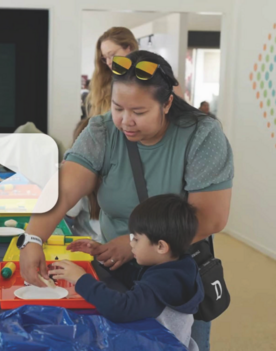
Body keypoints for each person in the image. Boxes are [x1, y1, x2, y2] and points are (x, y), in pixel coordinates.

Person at [20, 51, 233, 351]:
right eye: (118, 107)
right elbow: (63, 191)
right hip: (118, 271)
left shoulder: (202, 135)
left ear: (167, 103)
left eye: (139, 112)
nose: (125, 121)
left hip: (175, 271)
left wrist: (132, 242)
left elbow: (211, 217)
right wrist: (32, 239)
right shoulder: (102, 131)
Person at [51, 194, 204, 350]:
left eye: (136, 239)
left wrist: (81, 279)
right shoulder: (179, 266)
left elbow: (120, 308)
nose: (131, 244)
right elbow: (136, 277)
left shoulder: (164, 283)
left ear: (161, 247)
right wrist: (101, 256)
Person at [85, 27, 138, 118]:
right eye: (105, 57)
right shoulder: (102, 86)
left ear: (130, 48)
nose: (108, 62)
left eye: (112, 55)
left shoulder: (151, 80)